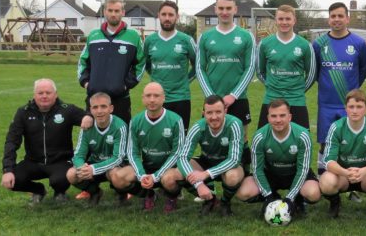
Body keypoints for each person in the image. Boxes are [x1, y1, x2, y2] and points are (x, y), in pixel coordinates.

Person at [1, 78, 92, 204]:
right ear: (34, 95)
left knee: (59, 180)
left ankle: (60, 192)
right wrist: (8, 170)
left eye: (48, 93)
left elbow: (91, 114)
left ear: (56, 94)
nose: (44, 96)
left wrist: (88, 116)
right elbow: (11, 141)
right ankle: (38, 190)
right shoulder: (23, 112)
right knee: (13, 180)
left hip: (60, 161)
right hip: (33, 161)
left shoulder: (67, 110)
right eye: (40, 93)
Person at [196, 0, 255, 173]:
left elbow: (250, 68)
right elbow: (200, 68)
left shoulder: (246, 36)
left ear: (235, 9)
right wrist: (212, 97)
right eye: (221, 8)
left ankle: (244, 176)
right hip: (213, 99)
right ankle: (210, 180)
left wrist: (233, 95)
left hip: (238, 99)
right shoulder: (206, 37)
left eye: (228, 8)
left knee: (242, 138)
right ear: (215, 9)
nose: (224, 12)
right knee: (210, 139)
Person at [237, 99, 320, 218]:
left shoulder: (302, 135)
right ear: (268, 117)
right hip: (270, 174)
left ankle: (298, 200)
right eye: (274, 116)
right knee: (243, 193)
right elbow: (257, 169)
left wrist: (290, 198)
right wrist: (268, 196)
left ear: (290, 117)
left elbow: (303, 170)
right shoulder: (260, 136)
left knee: (313, 193)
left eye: (282, 115)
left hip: (295, 173)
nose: (278, 120)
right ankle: (273, 198)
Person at [313, 2, 366, 175]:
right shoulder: (319, 44)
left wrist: (351, 91)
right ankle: (324, 180)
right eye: (333, 16)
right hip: (326, 104)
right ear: (329, 19)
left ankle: (351, 182)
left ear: (347, 18)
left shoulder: (358, 43)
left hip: (349, 105)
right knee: (325, 143)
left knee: (350, 142)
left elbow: (363, 69)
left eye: (340, 16)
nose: (336, 19)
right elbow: (315, 72)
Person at [319, 89, 366, 220]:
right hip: (343, 176)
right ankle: (335, 204)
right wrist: (345, 173)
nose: (355, 110)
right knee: (326, 181)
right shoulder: (337, 127)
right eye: (351, 107)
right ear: (345, 108)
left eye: (359, 107)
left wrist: (364, 171)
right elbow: (328, 161)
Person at [115, 82, 185, 213]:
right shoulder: (136, 121)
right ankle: (149, 194)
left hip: (169, 167)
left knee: (168, 180)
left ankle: (171, 197)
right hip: (147, 166)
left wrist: (156, 176)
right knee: (119, 178)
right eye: (148, 95)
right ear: (143, 98)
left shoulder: (176, 120)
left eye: (156, 95)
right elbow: (132, 152)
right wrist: (141, 175)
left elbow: (177, 153)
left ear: (164, 98)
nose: (152, 99)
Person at [78, 0, 145, 124]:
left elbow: (141, 63)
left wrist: (126, 85)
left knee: (122, 136)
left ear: (123, 13)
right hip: (95, 97)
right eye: (110, 10)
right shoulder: (93, 35)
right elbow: (83, 61)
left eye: (117, 11)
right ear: (105, 12)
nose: (113, 14)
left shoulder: (133, 36)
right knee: (94, 138)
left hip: (121, 99)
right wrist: (86, 82)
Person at [174, 95, 245, 216]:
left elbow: (234, 159)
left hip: (229, 164)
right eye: (209, 113)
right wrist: (199, 184)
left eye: (218, 112)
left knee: (232, 177)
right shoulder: (198, 127)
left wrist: (206, 174)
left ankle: (225, 202)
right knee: (177, 173)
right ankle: (211, 199)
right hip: (207, 161)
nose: (214, 117)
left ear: (225, 111)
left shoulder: (235, 124)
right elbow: (182, 157)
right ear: (204, 113)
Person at [256, 4, 316, 129]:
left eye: (288, 19)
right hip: (271, 99)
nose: (284, 22)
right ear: (276, 20)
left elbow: (311, 74)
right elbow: (260, 71)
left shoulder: (304, 45)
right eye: (281, 19)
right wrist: (271, 85)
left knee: (301, 140)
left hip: (296, 100)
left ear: (294, 20)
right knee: (264, 140)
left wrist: (299, 90)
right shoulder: (265, 44)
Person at [66, 92, 128, 205]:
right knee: (71, 174)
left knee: (115, 175)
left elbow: (118, 158)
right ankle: (95, 192)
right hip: (94, 164)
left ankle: (122, 194)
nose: (99, 111)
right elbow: (78, 155)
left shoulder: (120, 126)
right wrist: (82, 167)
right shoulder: (86, 126)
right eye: (95, 107)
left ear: (111, 108)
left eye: (103, 106)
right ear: (91, 110)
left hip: (114, 166)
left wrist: (93, 169)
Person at [144, 0, 196, 130]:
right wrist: (156, 78)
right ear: (159, 16)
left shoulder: (186, 40)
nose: (167, 18)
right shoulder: (150, 40)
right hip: (156, 98)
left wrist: (185, 80)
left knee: (180, 137)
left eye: (171, 15)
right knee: (158, 138)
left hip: (180, 97)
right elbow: (147, 64)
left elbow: (197, 66)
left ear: (177, 17)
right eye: (164, 14)